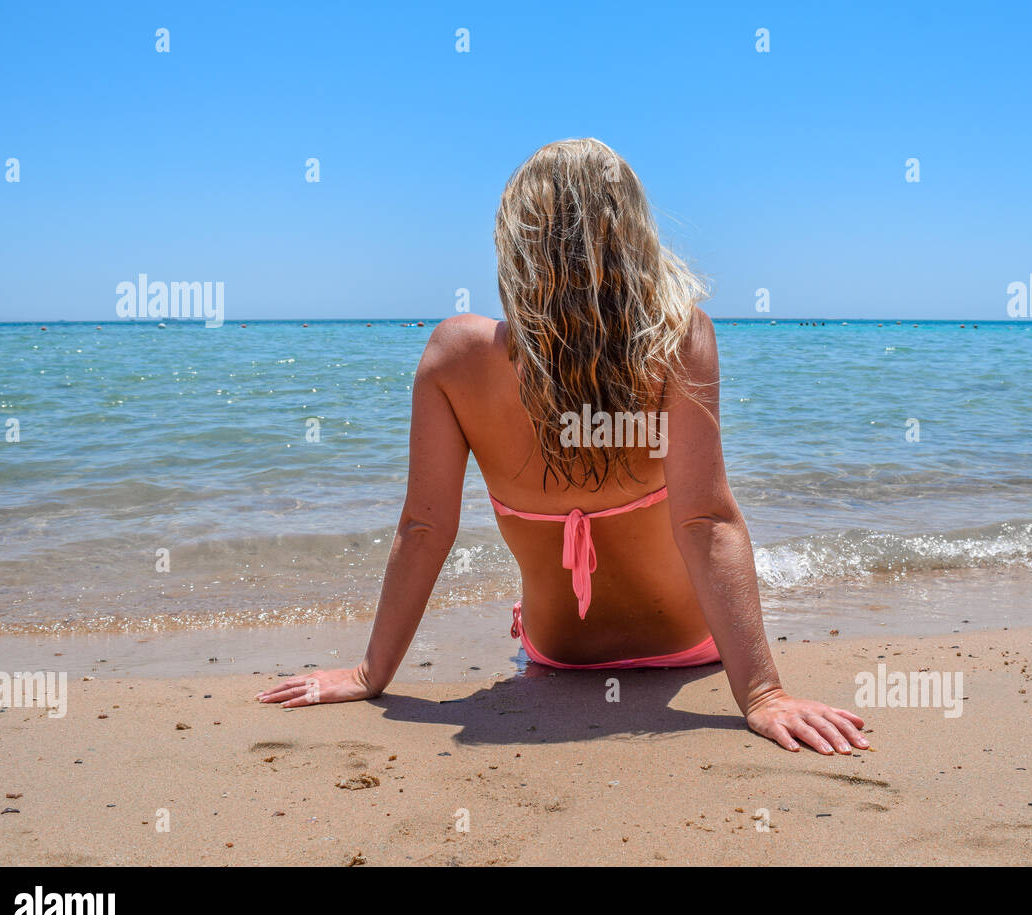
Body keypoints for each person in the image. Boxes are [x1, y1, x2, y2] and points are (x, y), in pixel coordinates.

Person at [258, 139, 869, 755]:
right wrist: (763, 693)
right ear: (634, 240)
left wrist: (371, 676)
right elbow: (706, 521)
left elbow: (424, 527)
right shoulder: (678, 339)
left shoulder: (455, 358)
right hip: (690, 647)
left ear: (512, 244)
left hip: (557, 657)